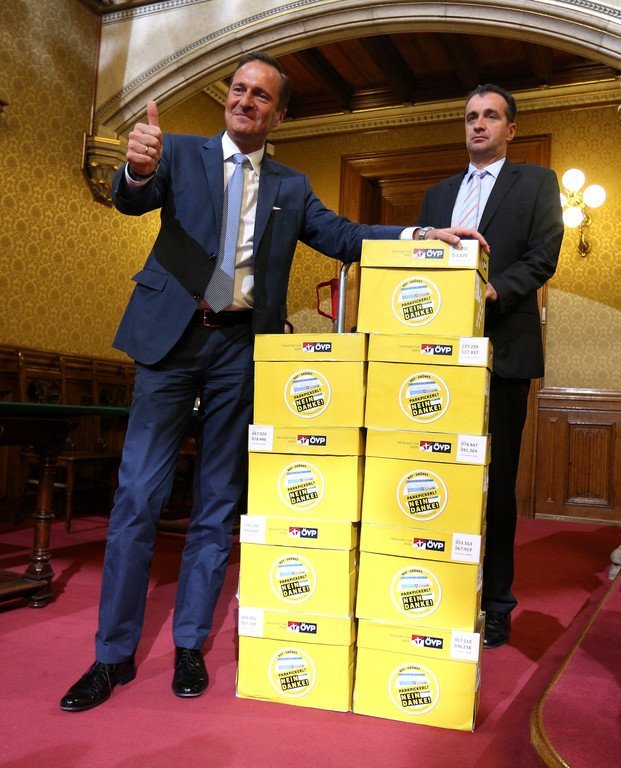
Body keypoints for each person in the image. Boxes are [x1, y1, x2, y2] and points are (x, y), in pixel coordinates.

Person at [60, 51, 488, 712]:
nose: (245, 100)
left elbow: (344, 236)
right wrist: (136, 169)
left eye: (261, 95)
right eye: (238, 89)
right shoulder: (180, 153)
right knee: (138, 496)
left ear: (279, 114)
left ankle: (188, 645)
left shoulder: (291, 185)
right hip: (169, 341)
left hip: (240, 348)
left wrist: (420, 232)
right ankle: (111, 656)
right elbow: (132, 197)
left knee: (216, 502)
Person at [418, 84, 564, 648]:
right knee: (438, 476)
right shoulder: (437, 195)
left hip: (502, 352)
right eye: (471, 116)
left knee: (496, 484)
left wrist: (492, 291)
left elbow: (543, 256)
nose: (478, 124)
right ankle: (441, 590)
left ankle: (496, 601)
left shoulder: (537, 183)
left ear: (511, 129)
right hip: (435, 357)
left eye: (490, 116)